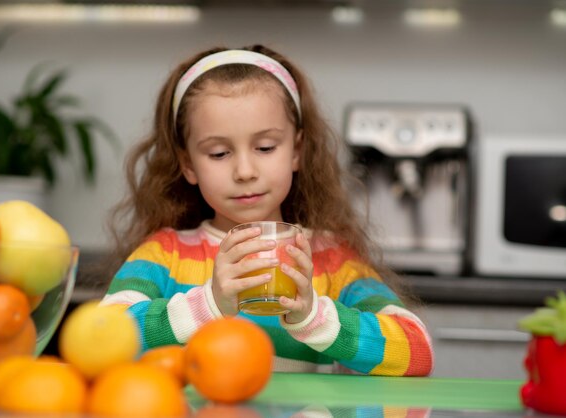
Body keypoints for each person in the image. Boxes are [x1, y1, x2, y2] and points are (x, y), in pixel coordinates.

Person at [101, 45, 433, 376]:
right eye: (218, 153)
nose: (245, 170)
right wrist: (208, 304)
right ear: (188, 164)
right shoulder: (163, 254)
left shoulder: (331, 259)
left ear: (296, 151)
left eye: (265, 147)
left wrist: (315, 318)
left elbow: (417, 351)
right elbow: (102, 341)